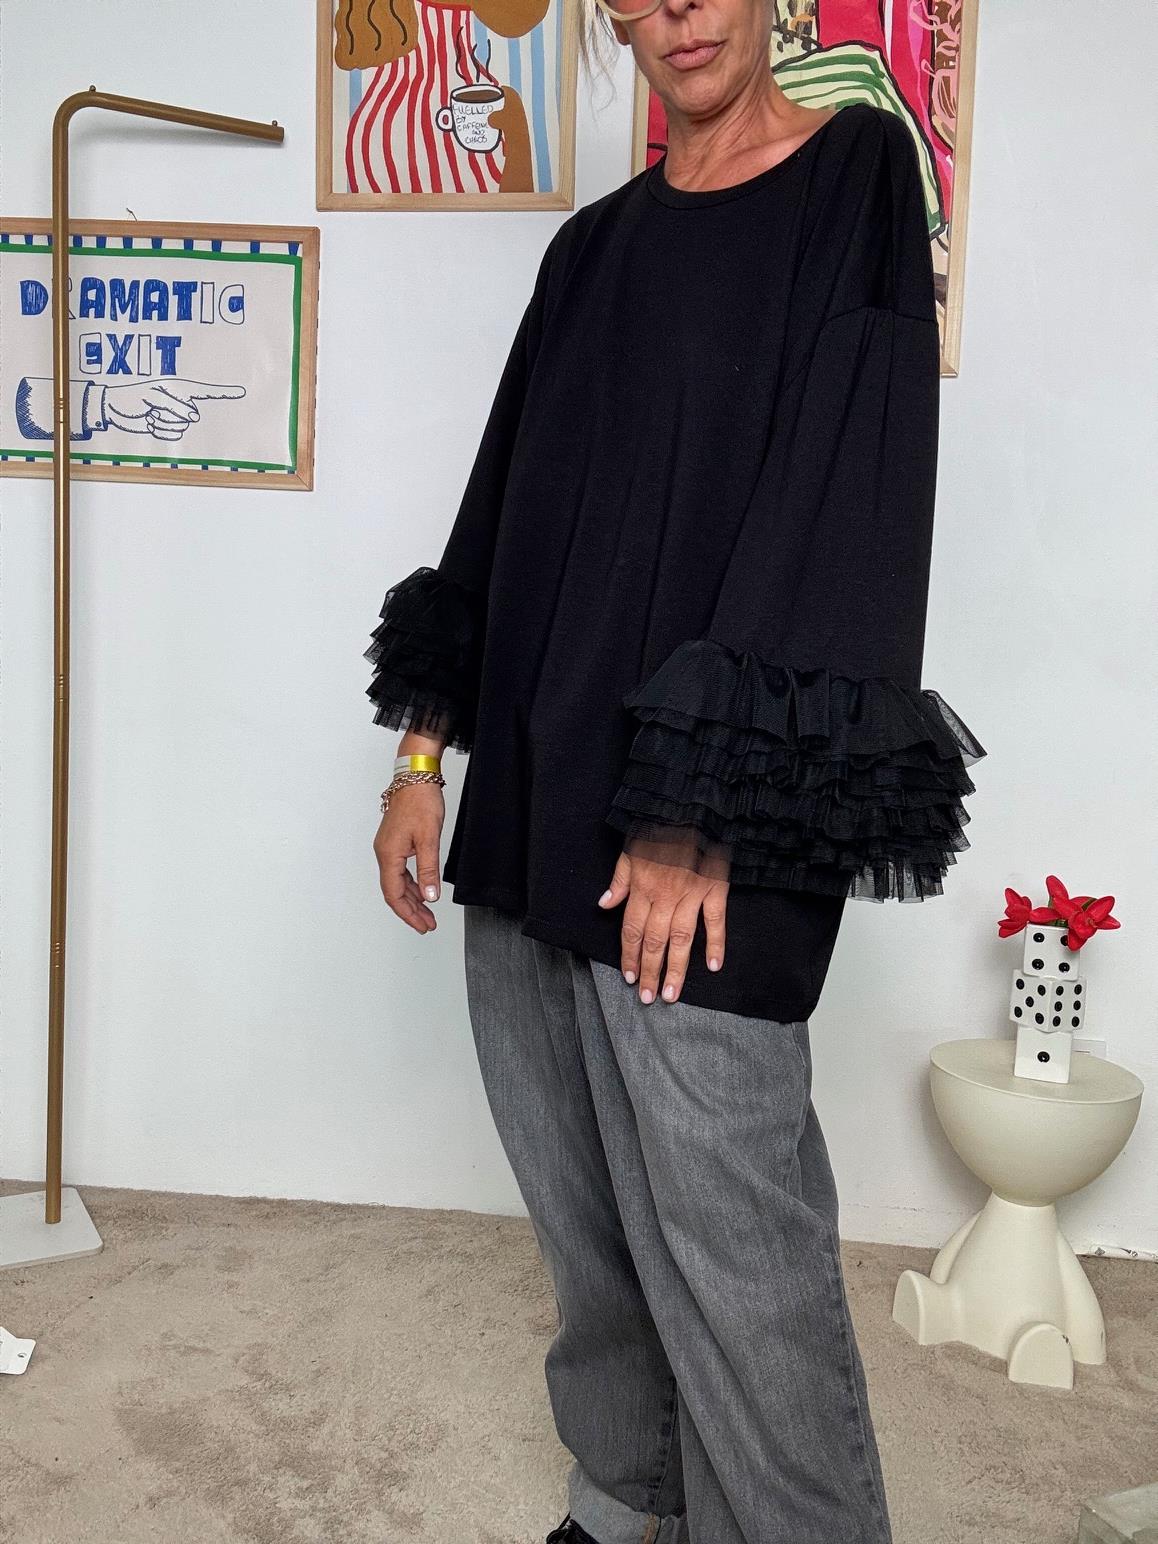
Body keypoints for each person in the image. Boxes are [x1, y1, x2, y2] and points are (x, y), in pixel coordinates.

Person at [366, 0, 987, 1538]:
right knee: (586, 1226)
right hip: (533, 792)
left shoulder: (852, 176)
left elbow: (843, 509)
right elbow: (499, 509)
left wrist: (695, 811)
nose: (671, 17)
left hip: (705, 820)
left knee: (732, 1250)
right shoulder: (590, 249)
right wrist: (422, 755)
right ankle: (622, 1499)